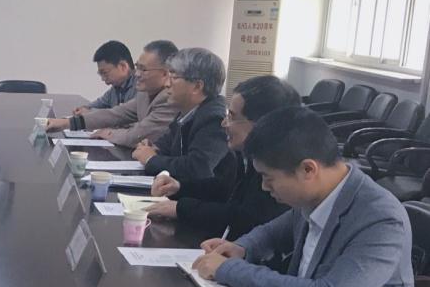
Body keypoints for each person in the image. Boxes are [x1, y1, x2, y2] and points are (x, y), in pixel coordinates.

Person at [193, 107, 425, 287]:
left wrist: (229, 269)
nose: (264, 187)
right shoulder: (319, 194)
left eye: (268, 178)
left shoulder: (380, 219)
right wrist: (242, 247)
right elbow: (274, 231)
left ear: (308, 169)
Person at [146, 75, 300, 240]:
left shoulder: (280, 167)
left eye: (232, 117)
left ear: (261, 124)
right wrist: (179, 187)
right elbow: (224, 188)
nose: (224, 123)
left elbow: (245, 217)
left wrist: (181, 209)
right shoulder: (244, 153)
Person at [47, 40, 179, 148]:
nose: (137, 74)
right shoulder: (144, 94)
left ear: (165, 73)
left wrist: (109, 133)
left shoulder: (169, 99)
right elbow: (114, 114)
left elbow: (137, 136)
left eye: (143, 69)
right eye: (137, 67)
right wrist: (66, 123)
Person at [132, 47, 235, 182]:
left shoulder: (214, 119)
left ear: (197, 86)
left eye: (173, 78)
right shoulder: (187, 112)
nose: (166, 84)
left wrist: (151, 159)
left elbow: (198, 167)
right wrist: (150, 148)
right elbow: (165, 145)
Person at [71, 40, 137, 116]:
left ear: (123, 66)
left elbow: (125, 116)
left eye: (105, 73)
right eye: (100, 74)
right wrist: (83, 109)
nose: (102, 79)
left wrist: (91, 112)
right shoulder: (115, 89)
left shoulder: (142, 88)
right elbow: (95, 105)